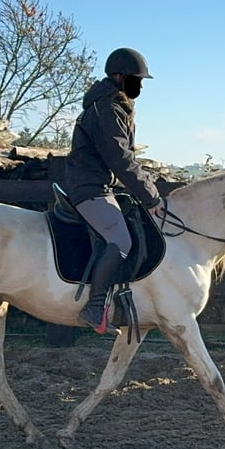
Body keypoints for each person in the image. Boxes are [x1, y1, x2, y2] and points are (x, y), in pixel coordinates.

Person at [61, 47, 163, 336]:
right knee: (120, 240)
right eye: (135, 79)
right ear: (119, 78)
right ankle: (94, 307)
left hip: (98, 184)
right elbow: (119, 158)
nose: (139, 86)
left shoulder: (111, 105)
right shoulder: (106, 108)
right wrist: (151, 196)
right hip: (89, 187)